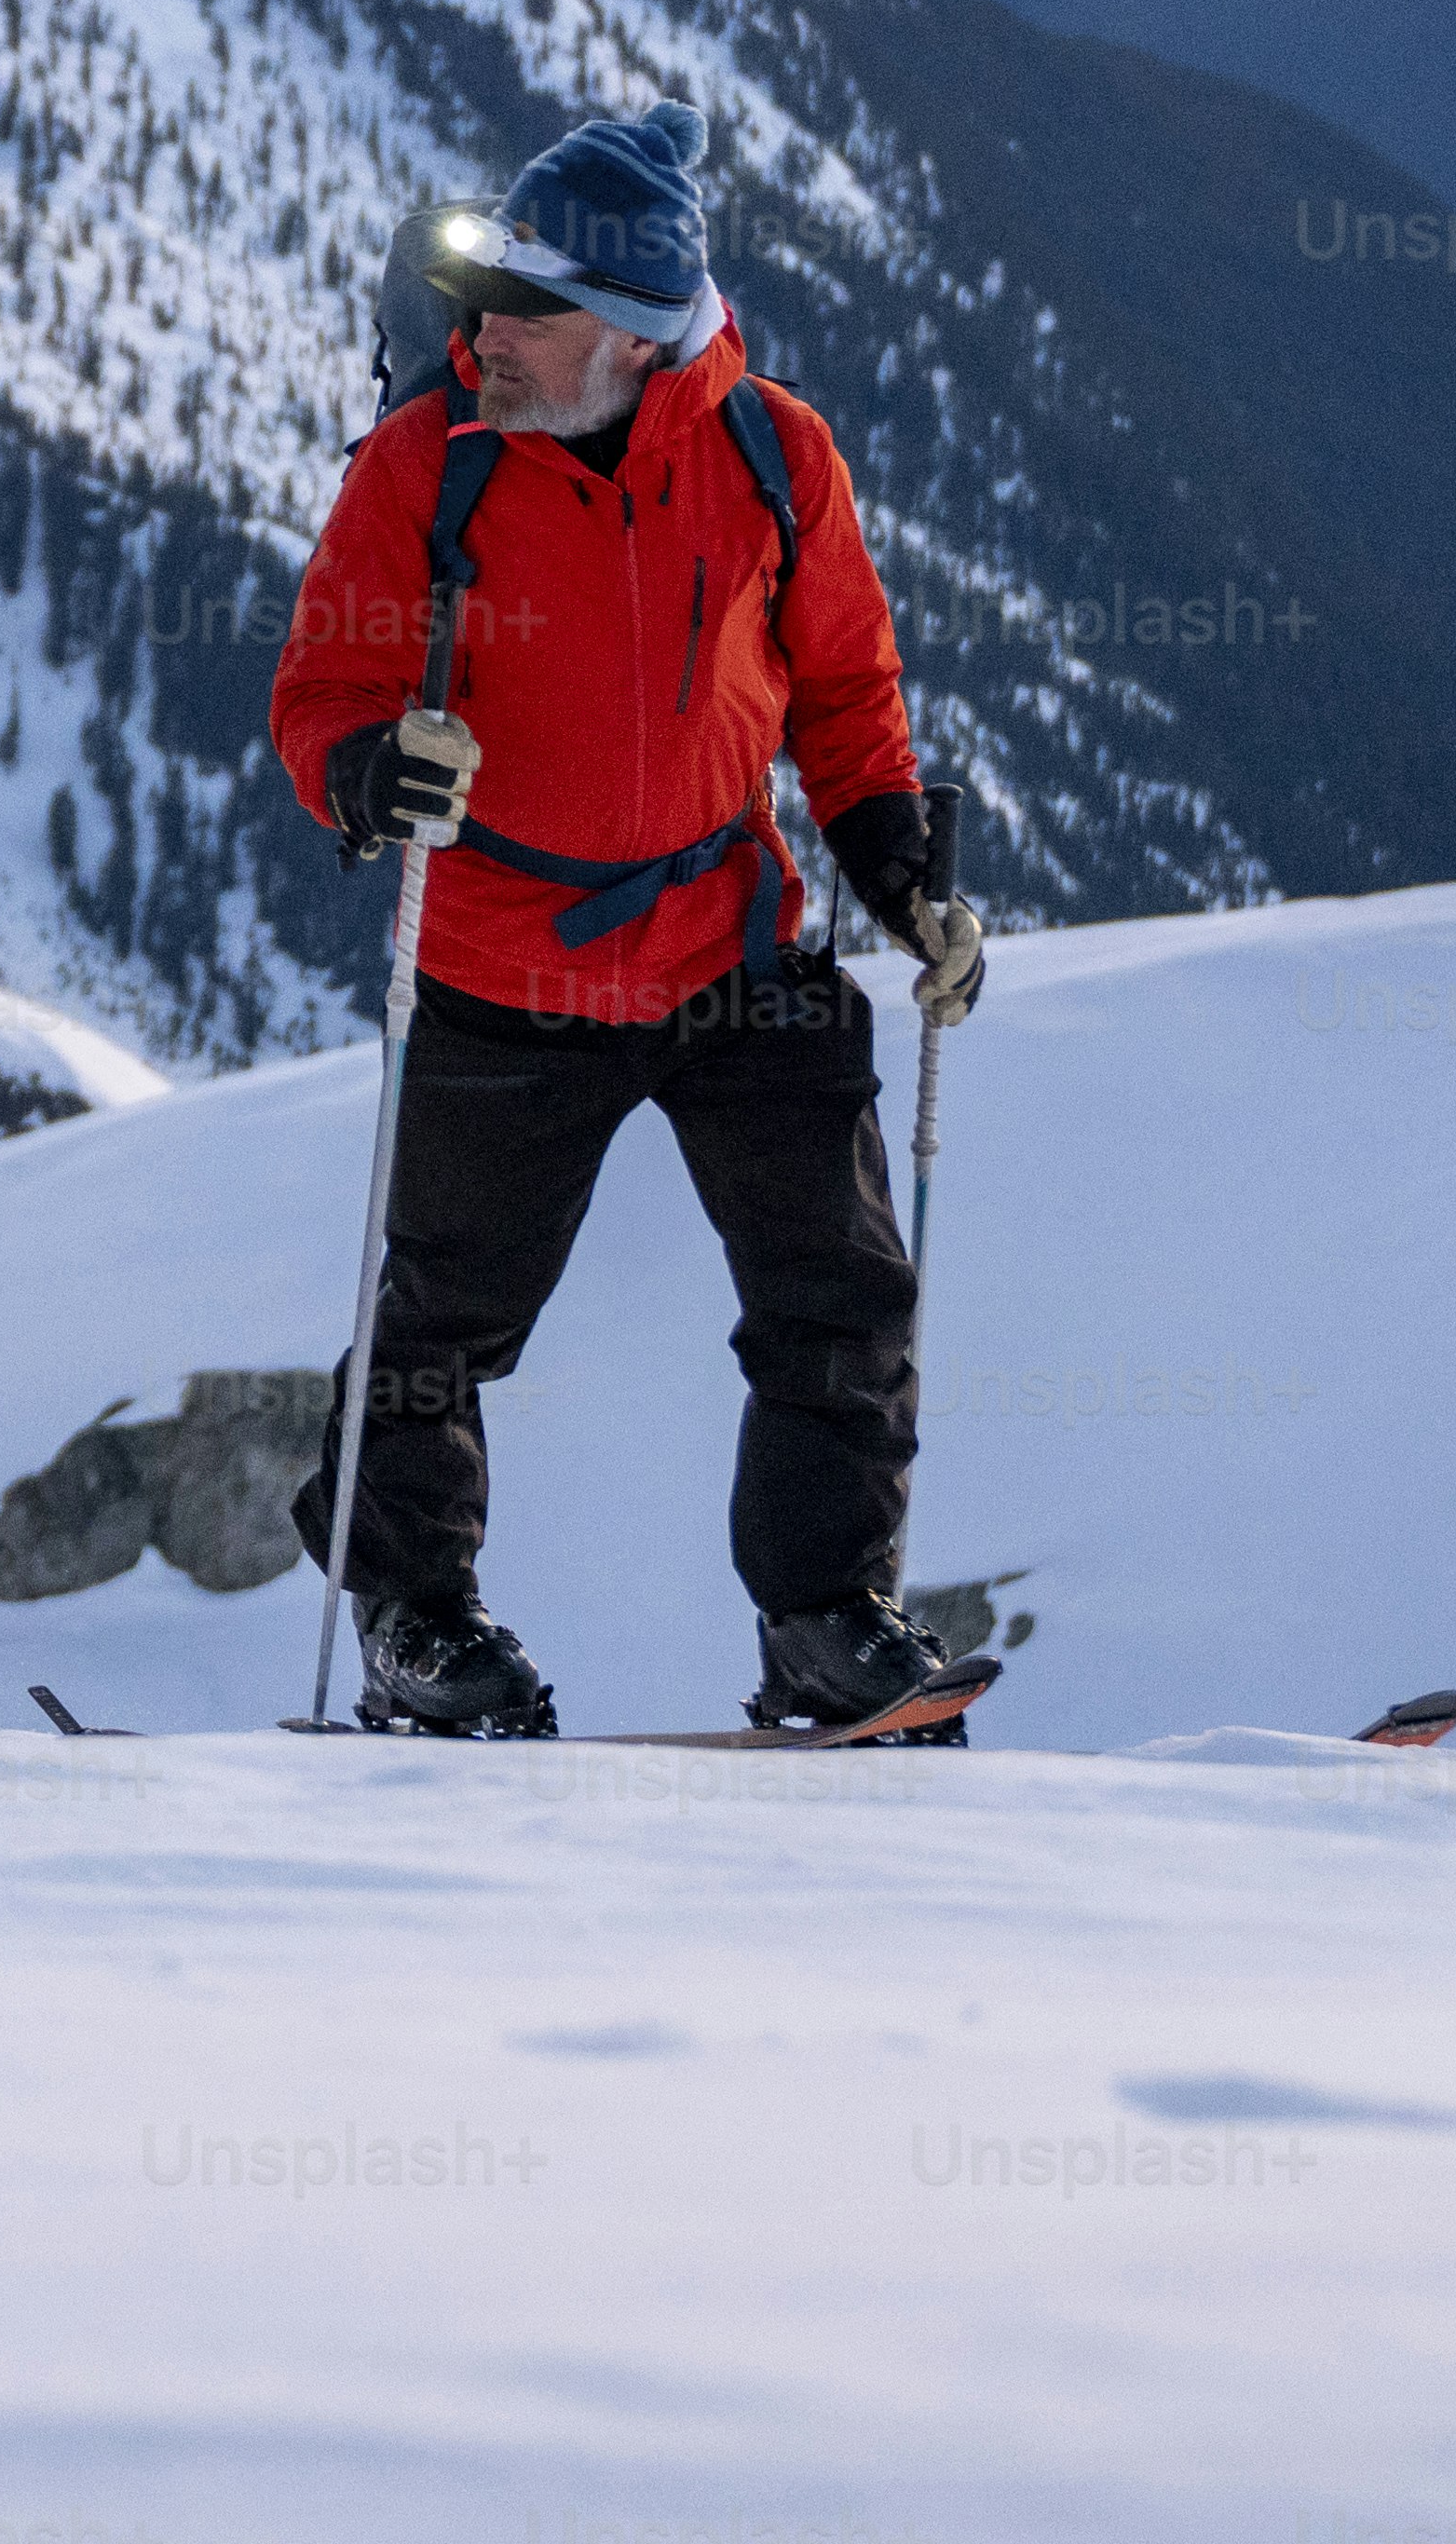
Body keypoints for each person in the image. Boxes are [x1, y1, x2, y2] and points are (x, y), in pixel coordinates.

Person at [263, 100, 992, 1738]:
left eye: (532, 310)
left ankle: (825, 1621)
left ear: (643, 335)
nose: (487, 334)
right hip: (499, 961)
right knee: (442, 1321)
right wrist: (375, 776)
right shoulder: (425, 463)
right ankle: (416, 1622)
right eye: (487, 296)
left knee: (840, 1292)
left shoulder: (773, 458)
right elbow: (321, 695)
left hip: (730, 946)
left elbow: (849, 704)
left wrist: (906, 884)